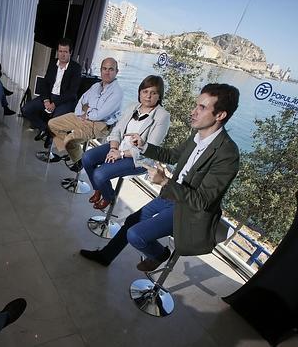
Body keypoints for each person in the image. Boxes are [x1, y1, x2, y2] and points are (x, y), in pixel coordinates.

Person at [80, 83, 240, 271]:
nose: (193, 111)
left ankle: (159, 254)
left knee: (135, 235)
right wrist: (144, 145)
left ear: (220, 115)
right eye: (196, 105)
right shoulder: (197, 134)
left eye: (202, 107)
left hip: (189, 211)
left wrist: (165, 181)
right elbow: (172, 155)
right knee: (132, 221)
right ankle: (105, 256)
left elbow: (202, 202)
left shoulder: (227, 154)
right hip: (172, 195)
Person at [82, 75, 170, 210]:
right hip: (119, 147)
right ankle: (99, 188)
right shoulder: (132, 106)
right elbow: (117, 130)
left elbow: (150, 148)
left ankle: (108, 197)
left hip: (139, 158)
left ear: (159, 96)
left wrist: (121, 154)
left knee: (100, 174)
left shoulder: (162, 116)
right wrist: (113, 149)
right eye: (145, 92)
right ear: (139, 92)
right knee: (87, 158)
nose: (148, 96)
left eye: (153, 93)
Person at [45, 57, 123, 172]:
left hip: (100, 125)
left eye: (111, 69)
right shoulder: (96, 86)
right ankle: (73, 153)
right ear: (101, 70)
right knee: (52, 124)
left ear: (116, 72)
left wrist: (87, 112)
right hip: (82, 117)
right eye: (104, 69)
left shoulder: (117, 92)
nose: (107, 72)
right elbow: (82, 101)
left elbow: (100, 115)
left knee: (69, 140)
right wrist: (80, 114)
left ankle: (78, 160)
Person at [21, 38, 81, 139]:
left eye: (65, 52)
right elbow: (45, 84)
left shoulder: (76, 68)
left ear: (70, 52)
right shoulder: (53, 63)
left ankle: (50, 138)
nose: (62, 55)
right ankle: (44, 128)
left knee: (55, 120)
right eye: (60, 51)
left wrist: (54, 104)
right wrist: (46, 100)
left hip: (64, 100)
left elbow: (72, 93)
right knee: (25, 109)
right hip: (49, 96)